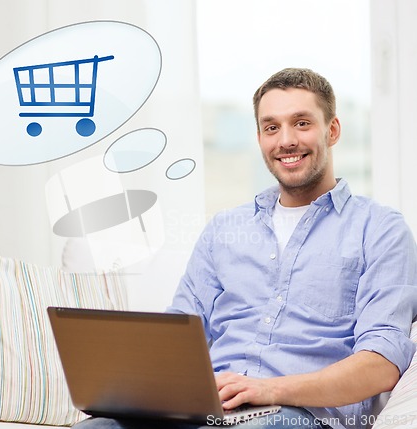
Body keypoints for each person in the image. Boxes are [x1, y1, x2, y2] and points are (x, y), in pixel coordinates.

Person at [74, 68, 417, 429]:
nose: (285, 140)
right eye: (271, 127)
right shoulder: (225, 229)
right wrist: (127, 392)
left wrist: (270, 390)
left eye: (302, 123)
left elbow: (381, 364)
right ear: (259, 138)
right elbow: (177, 336)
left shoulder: (380, 229)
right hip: (207, 412)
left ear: (332, 131)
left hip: (300, 417)